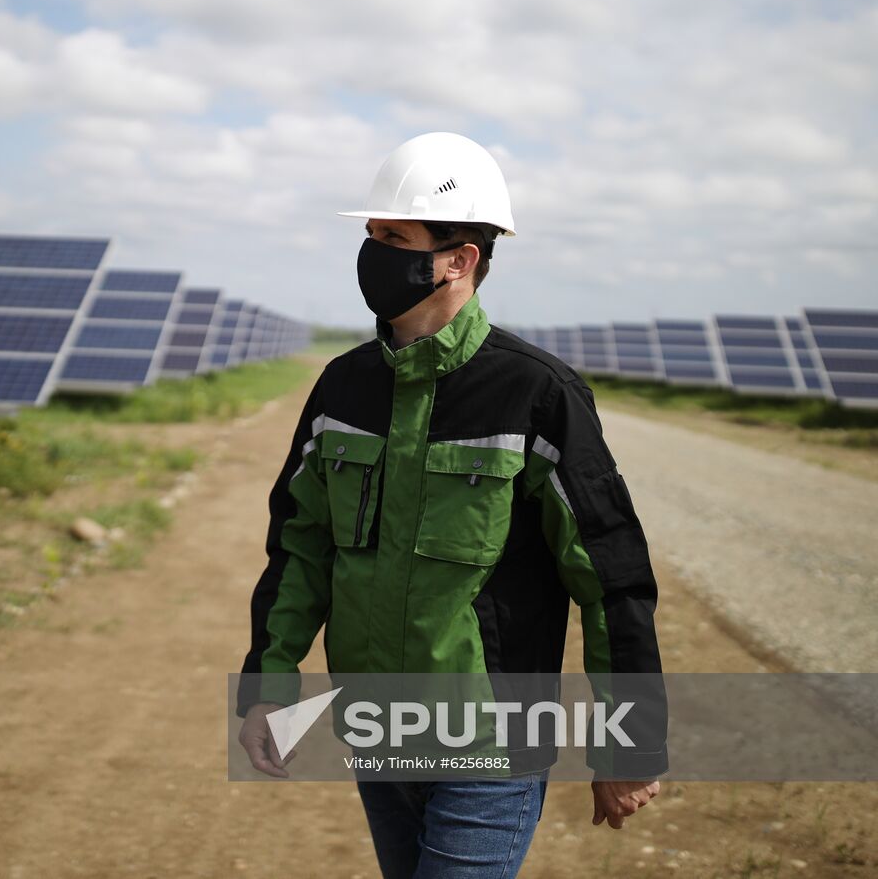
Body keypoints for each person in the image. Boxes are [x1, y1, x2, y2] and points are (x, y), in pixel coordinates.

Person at [236, 132, 668, 877]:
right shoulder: (343, 387)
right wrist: (268, 689)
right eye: (371, 236)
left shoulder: (537, 393)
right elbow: (300, 550)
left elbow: (612, 578)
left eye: (393, 237)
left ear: (458, 259)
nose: (372, 253)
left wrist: (629, 743)